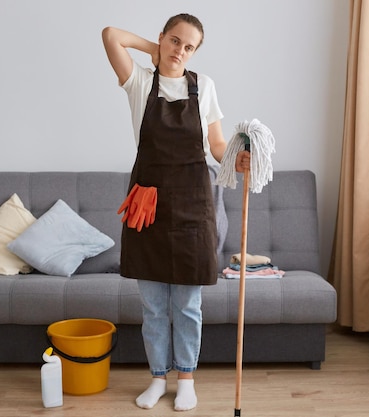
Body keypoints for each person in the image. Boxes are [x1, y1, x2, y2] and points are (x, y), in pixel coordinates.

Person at [102, 14, 250, 411]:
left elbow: (216, 145)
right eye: (174, 41)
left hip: (191, 203)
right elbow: (111, 35)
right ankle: (156, 379)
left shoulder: (205, 87)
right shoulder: (139, 82)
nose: (180, 51)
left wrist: (238, 161)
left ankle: (186, 379)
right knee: (152, 305)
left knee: (186, 304)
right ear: (161, 38)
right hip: (147, 205)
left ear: (196, 52)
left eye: (189, 47)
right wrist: (158, 55)